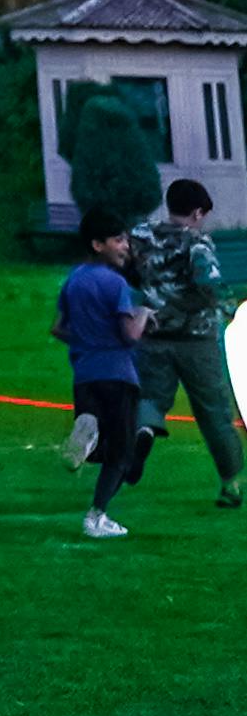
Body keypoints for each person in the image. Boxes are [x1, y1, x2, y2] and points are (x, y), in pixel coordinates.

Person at [128, 179, 244, 509]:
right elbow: (208, 282)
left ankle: (144, 433)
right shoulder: (197, 243)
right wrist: (227, 307)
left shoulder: (142, 236)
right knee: (214, 413)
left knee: (150, 397)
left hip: (152, 334)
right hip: (197, 340)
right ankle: (230, 484)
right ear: (196, 213)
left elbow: (128, 270)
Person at [59, 218, 153, 538]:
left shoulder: (73, 280)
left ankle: (87, 432)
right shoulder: (115, 284)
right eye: (118, 240)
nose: (125, 246)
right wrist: (143, 315)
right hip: (118, 373)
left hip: (85, 374)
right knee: (121, 453)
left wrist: (89, 339)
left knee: (103, 440)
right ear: (97, 245)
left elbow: (59, 327)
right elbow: (128, 336)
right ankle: (96, 517)